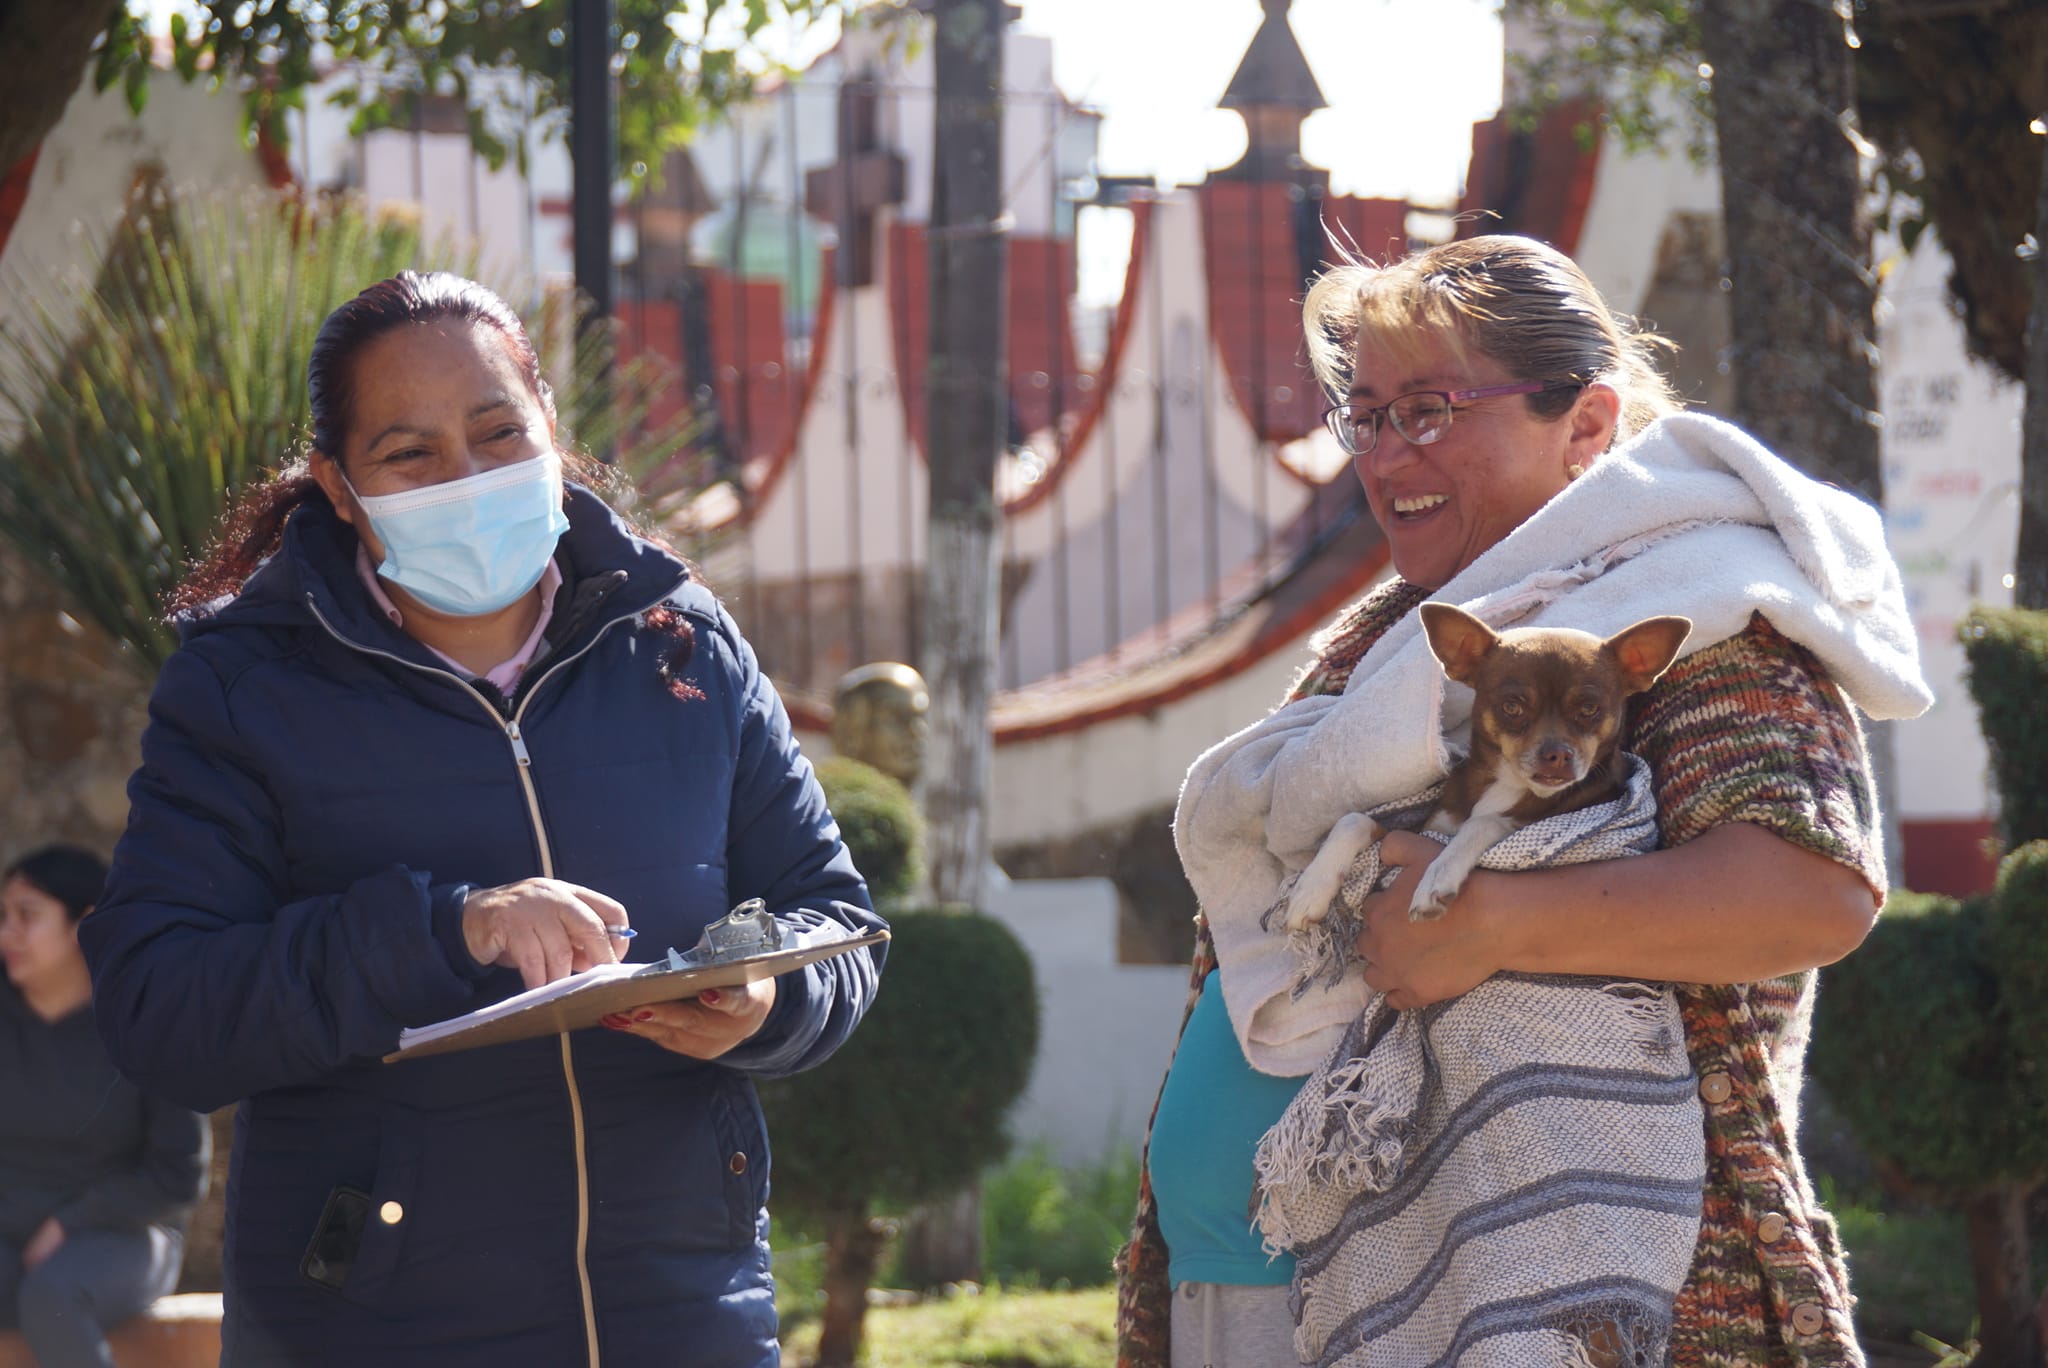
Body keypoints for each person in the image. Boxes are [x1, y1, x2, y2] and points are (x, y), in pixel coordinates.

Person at [1116, 235, 1930, 1368]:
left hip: (1545, 1307)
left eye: (1433, 408)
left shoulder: (1700, 622)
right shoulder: (1395, 642)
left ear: (1586, 426)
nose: (1389, 448)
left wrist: (1490, 923)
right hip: (1258, 1289)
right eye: (1368, 413)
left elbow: (1807, 894)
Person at [78, 271, 887, 1368]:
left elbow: (833, 918)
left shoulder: (681, 643)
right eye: (409, 454)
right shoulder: (241, 687)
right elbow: (158, 1011)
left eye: (500, 431)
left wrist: (769, 994)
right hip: (381, 1329)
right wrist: (448, 932)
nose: (465, 477)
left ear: (552, 429)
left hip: (685, 1317)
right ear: (340, 487)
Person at [2, 844, 208, 1368]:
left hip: (123, 1238)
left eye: (27, 916)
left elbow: (179, 1176)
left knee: (51, 1299)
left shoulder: (145, 1024)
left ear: (84, 925)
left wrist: (72, 1220)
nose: (8, 935)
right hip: (9, 1230)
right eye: (3, 917)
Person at [830, 662, 931, 792]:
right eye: (897, 717)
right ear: (851, 732)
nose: (916, 731)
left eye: (919, 717)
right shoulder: (818, 809)